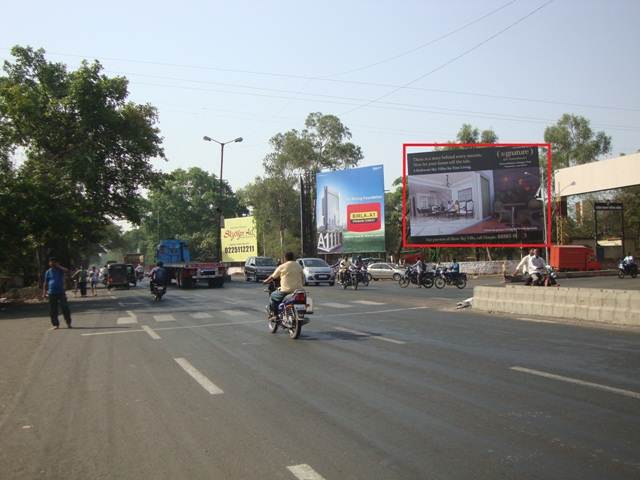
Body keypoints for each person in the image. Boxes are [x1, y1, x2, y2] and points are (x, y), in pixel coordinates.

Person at [263, 251, 304, 317]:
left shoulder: (282, 266)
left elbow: (272, 277)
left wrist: (265, 281)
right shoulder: (299, 266)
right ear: (293, 257)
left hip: (286, 291)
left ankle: (276, 315)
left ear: (285, 258)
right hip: (298, 291)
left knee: (273, 296)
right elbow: (303, 278)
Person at [42, 257, 72, 329]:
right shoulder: (48, 272)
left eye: (54, 262)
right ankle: (56, 324)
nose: (52, 263)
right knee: (53, 310)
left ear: (57, 263)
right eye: (51, 262)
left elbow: (67, 271)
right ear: (49, 263)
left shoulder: (60, 270)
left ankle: (68, 323)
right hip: (51, 292)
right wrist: (44, 293)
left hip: (61, 292)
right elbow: (45, 283)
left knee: (65, 307)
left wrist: (58, 266)